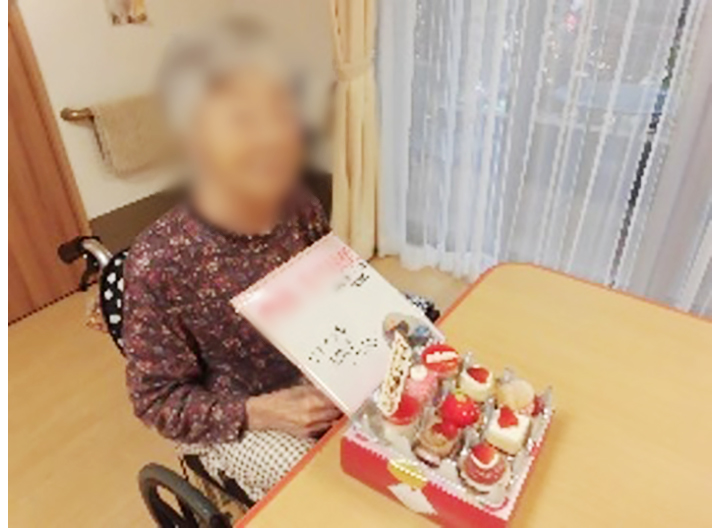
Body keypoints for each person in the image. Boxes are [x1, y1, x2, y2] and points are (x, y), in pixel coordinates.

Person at [122, 19, 341, 502]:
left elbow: (332, 292)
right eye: (242, 121)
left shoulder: (299, 206)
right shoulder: (158, 262)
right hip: (231, 416)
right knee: (325, 493)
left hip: (311, 374)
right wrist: (261, 412)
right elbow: (156, 401)